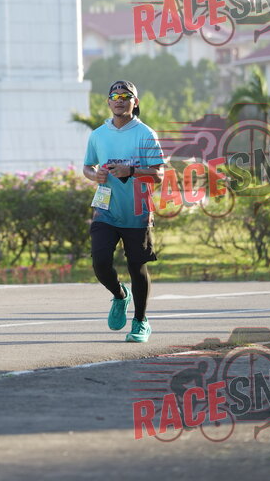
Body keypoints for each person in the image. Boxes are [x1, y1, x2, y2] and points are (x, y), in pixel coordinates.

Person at [83, 80, 164, 343]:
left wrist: (131, 171)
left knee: (136, 267)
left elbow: (159, 175)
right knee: (100, 262)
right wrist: (95, 176)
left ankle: (140, 321)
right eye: (114, 96)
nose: (119, 100)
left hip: (137, 211)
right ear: (108, 102)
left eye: (125, 96)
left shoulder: (146, 134)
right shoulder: (98, 135)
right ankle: (120, 295)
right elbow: (87, 167)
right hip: (105, 209)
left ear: (135, 102)